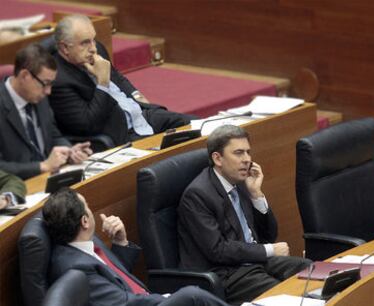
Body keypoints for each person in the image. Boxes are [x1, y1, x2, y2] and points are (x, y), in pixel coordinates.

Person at [178, 125, 312, 305]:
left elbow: (268, 235)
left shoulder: (239, 182)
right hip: (228, 274)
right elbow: (218, 250)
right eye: (239, 153)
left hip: (253, 262)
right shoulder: (197, 195)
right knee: (285, 296)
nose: (247, 159)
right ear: (218, 158)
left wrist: (256, 195)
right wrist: (269, 250)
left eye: (248, 152)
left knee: (312, 273)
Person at [42, 188, 230, 306]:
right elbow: (121, 302)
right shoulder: (74, 267)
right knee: (191, 296)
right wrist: (165, 298)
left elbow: (116, 279)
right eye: (88, 207)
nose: (91, 211)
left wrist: (120, 242)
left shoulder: (81, 244)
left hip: (142, 299)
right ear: (84, 221)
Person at [49, 14, 196, 146]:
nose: (93, 48)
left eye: (93, 40)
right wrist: (103, 83)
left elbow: (117, 77)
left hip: (143, 116)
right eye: (85, 43)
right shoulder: (59, 80)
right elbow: (88, 124)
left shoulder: (96, 50)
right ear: (64, 48)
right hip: (122, 132)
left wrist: (137, 95)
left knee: (199, 127)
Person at [0, 43, 92, 180]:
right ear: (25, 75)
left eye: (51, 84)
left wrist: (69, 151)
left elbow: (53, 135)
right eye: (45, 83)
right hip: (17, 187)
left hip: (50, 178)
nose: (48, 91)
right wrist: (42, 166)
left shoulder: (38, 97)